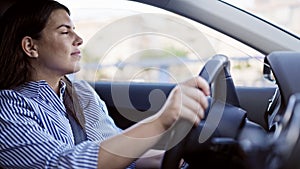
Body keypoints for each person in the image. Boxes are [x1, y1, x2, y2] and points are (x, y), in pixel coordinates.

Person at [0, 0, 210, 168]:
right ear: (30, 46)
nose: (79, 39)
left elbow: (119, 149)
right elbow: (62, 163)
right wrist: (160, 121)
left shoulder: (82, 93)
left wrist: (171, 156)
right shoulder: (8, 108)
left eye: (75, 29)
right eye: (65, 32)